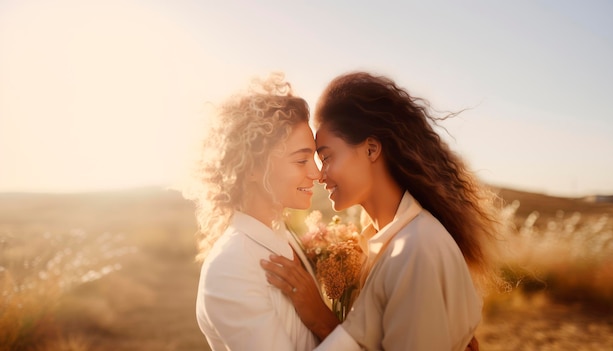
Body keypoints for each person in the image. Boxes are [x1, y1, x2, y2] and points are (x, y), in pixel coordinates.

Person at [261, 71, 499, 351]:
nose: (319, 175)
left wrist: (321, 320)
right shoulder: (382, 240)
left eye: (326, 157)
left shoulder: (414, 250)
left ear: (371, 149)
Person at [184, 72, 323, 351]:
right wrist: (349, 329)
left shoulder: (283, 236)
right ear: (252, 169)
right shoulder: (231, 267)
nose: (316, 173)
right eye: (301, 160)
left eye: (315, 158)